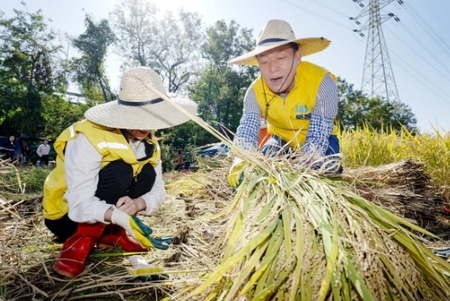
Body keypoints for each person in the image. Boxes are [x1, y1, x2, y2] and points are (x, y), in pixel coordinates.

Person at [43, 66, 197, 279]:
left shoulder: (150, 144)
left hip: (109, 217)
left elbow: (159, 189)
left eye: (153, 116)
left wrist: (137, 205)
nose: (147, 126)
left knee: (147, 174)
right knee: (121, 169)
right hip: (68, 216)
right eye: (139, 116)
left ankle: (113, 233)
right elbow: (79, 203)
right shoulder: (89, 136)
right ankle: (80, 243)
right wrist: (121, 217)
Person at [229, 19, 342, 175]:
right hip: (281, 140)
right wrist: (240, 160)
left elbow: (318, 135)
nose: (273, 68)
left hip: (322, 140)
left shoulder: (322, 83)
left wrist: (305, 168)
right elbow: (247, 132)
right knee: (266, 165)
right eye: (264, 61)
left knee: (326, 169)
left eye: (281, 58)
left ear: (297, 58)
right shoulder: (254, 92)